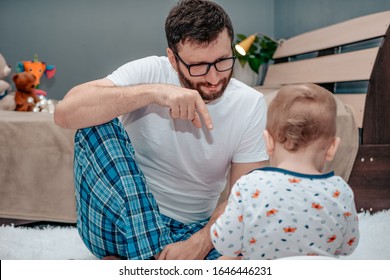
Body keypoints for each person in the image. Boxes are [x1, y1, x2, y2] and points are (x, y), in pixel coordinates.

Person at [54, 0, 268, 260]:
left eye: (223, 61)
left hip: (188, 233)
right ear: (172, 59)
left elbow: (244, 194)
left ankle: (137, 261)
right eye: (198, 66)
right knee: (96, 124)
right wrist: (155, 93)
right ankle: (156, 260)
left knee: (249, 252)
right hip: (118, 221)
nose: (213, 78)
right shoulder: (150, 71)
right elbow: (65, 113)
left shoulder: (250, 104)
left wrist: (199, 243)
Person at [210, 84, 360, 260]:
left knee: (225, 261)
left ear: (268, 142)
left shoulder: (249, 185)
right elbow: (348, 246)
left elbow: (225, 243)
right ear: (332, 147)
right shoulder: (341, 192)